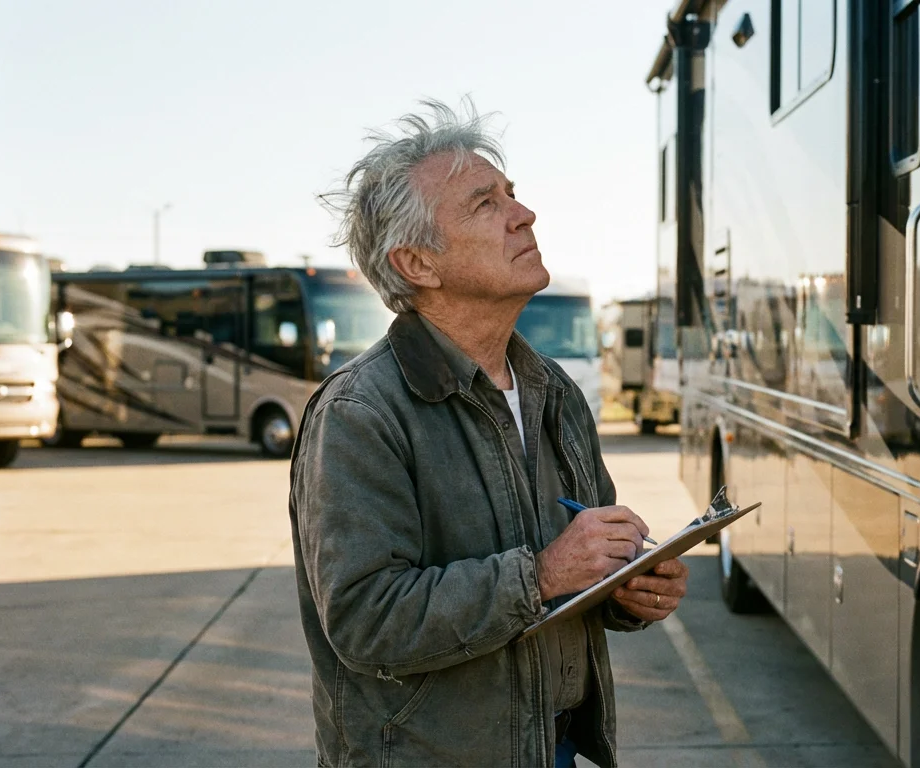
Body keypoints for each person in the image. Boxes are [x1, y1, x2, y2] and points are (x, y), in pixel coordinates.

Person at [289, 100, 690, 768]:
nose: (523, 214)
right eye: (483, 203)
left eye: (512, 194)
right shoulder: (361, 411)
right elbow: (365, 619)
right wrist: (541, 574)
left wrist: (630, 587)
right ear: (417, 262)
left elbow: (581, 573)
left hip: (554, 748)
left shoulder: (554, 392)